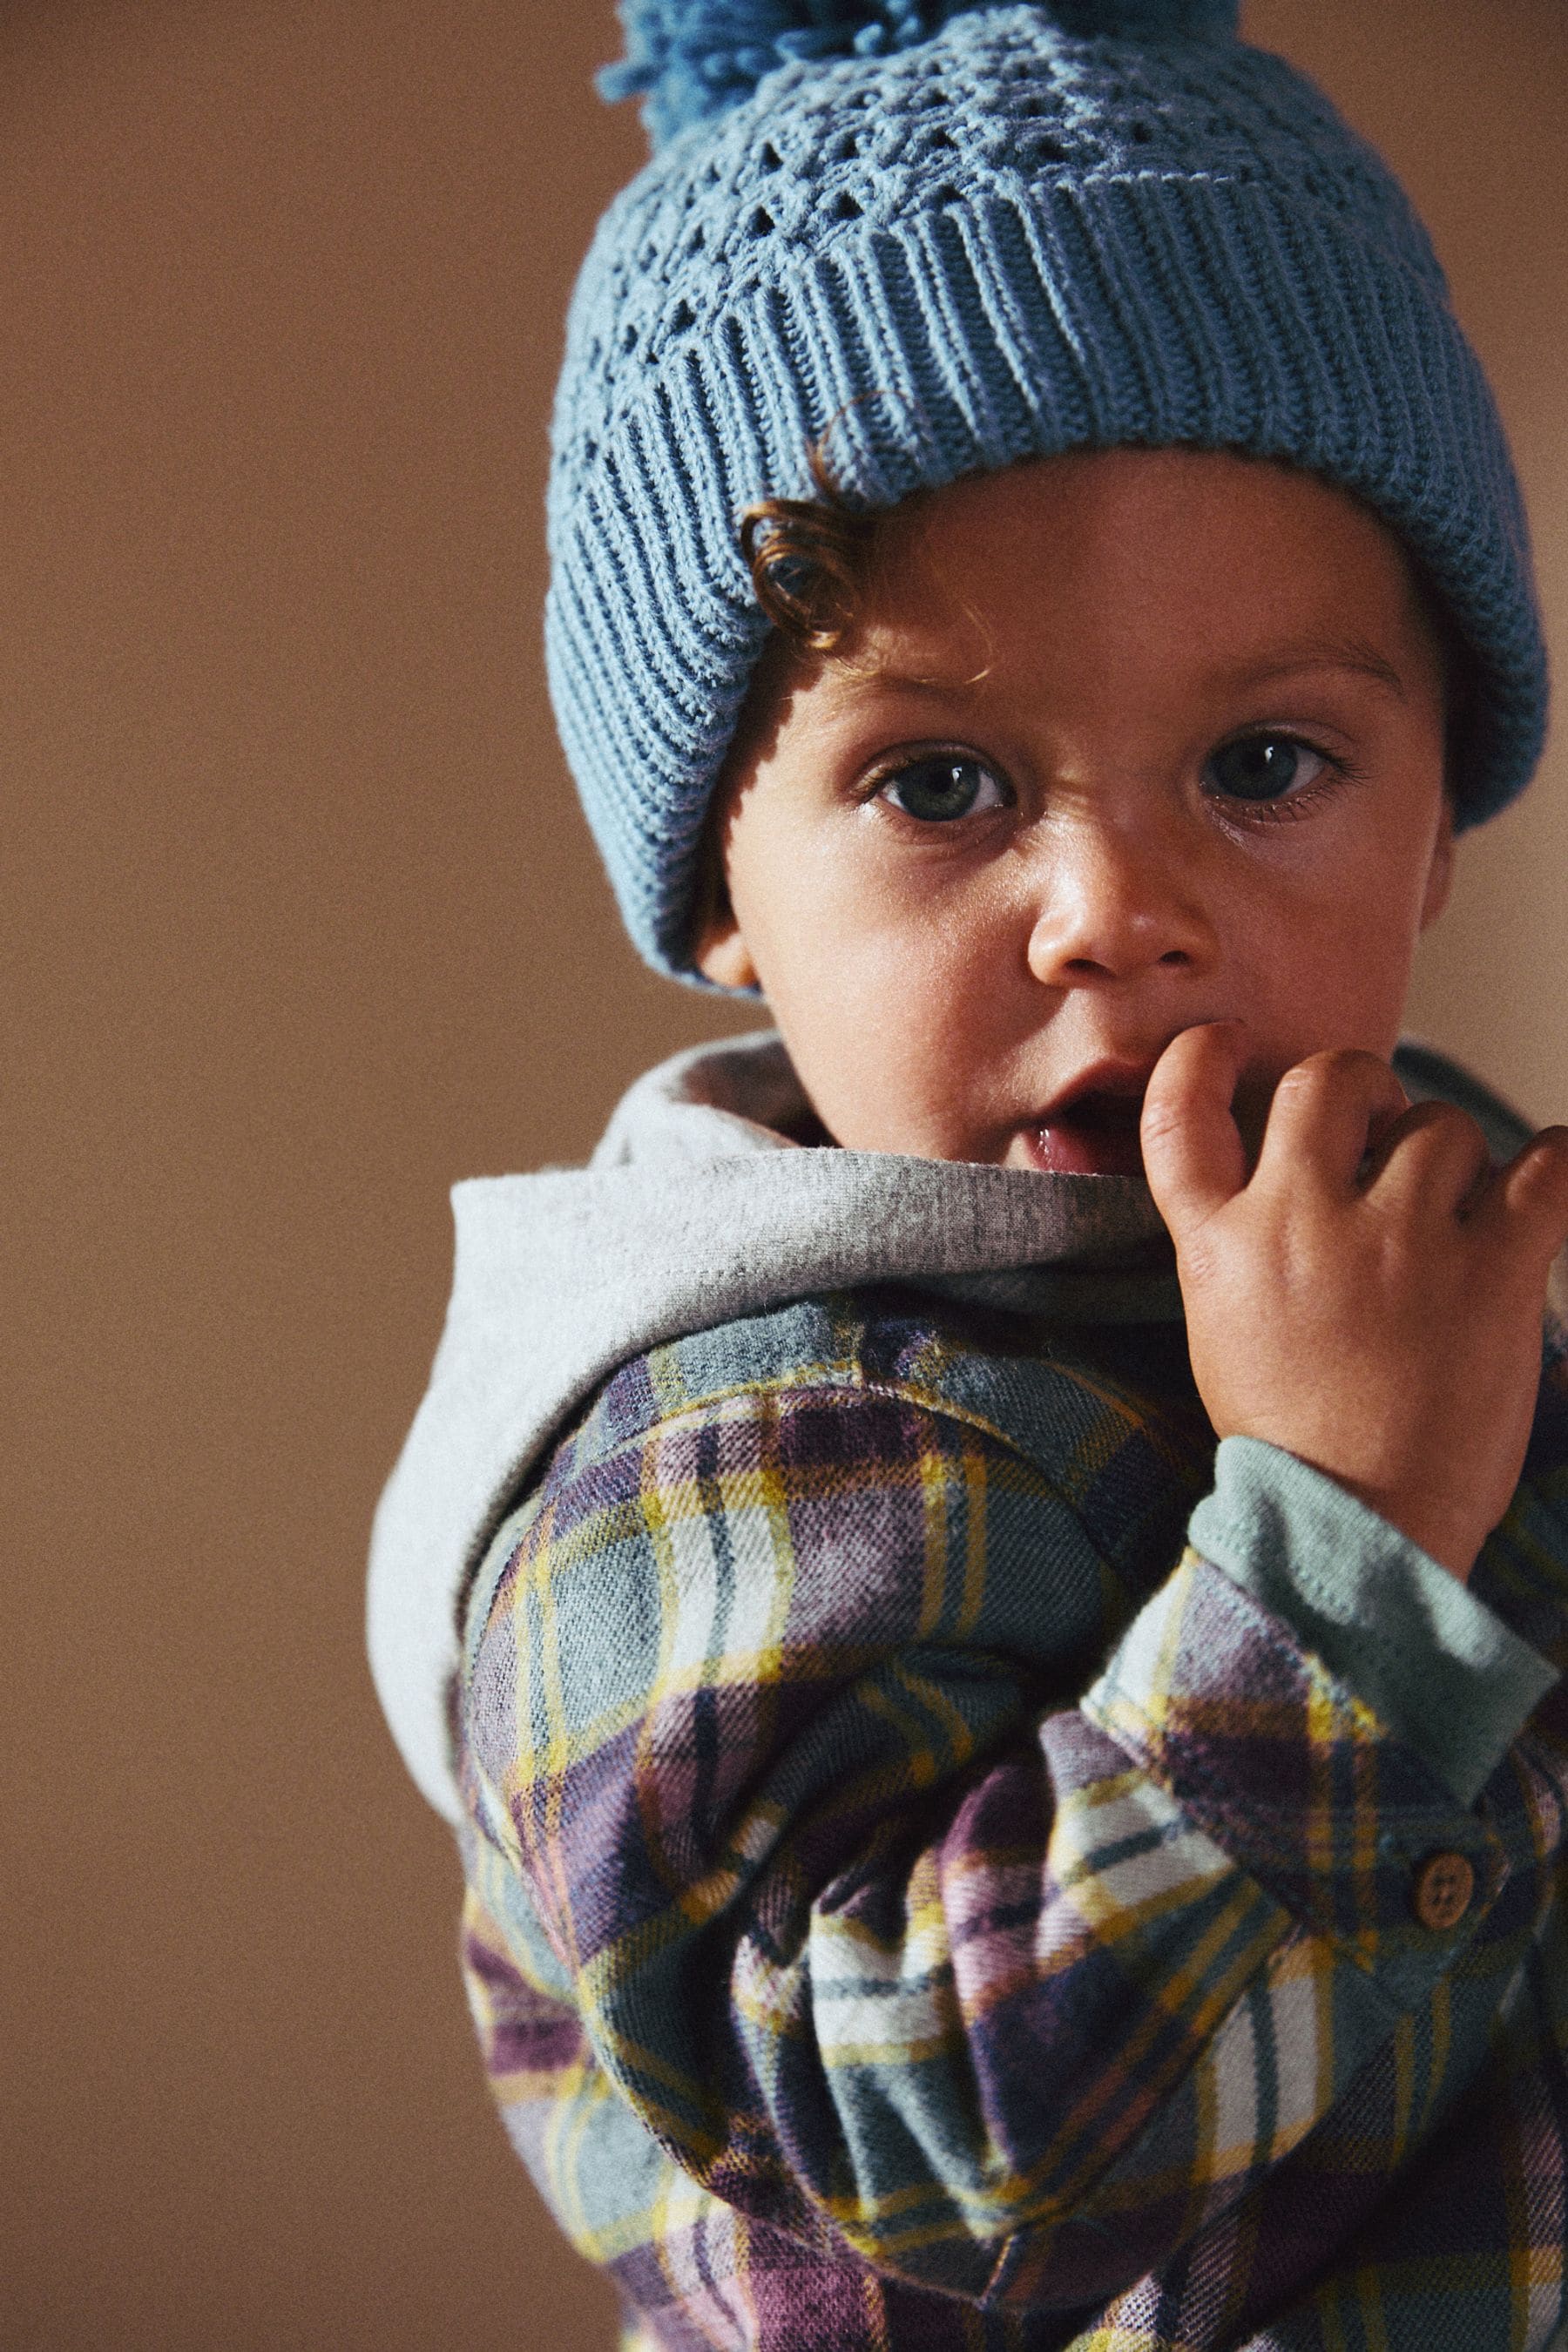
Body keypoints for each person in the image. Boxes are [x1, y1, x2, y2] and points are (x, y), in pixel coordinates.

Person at [367, 5, 1568, 2346]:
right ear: (721, 887)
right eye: (940, 785)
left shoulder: (1433, 1227)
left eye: (1266, 755)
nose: (1114, 902)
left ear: (1437, 821)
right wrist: (1336, 1556)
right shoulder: (731, 1449)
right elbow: (933, 2177)